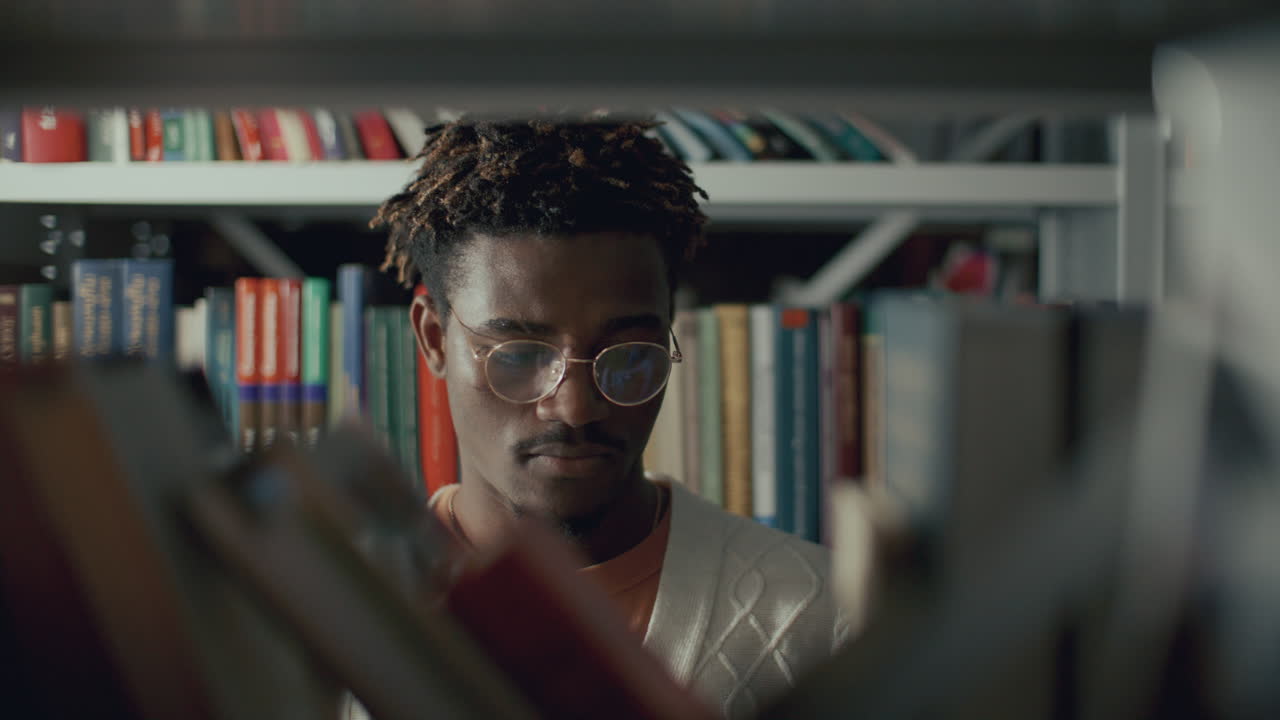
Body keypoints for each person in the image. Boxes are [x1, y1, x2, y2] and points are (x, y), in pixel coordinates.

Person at [371, 115, 847, 718]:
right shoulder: (326, 610)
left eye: (626, 357)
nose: (574, 408)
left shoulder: (825, 618)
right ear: (434, 339)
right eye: (518, 355)